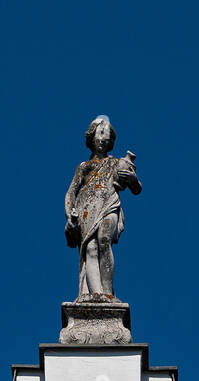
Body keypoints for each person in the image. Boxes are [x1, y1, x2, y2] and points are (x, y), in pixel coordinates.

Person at [64, 115, 141, 300]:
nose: (101, 139)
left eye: (105, 135)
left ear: (110, 140)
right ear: (91, 137)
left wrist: (132, 179)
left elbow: (137, 188)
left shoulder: (116, 162)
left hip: (109, 204)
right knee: (90, 249)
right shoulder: (84, 166)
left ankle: (108, 294)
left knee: (104, 240)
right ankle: (96, 293)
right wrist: (70, 214)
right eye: (98, 134)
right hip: (87, 209)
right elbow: (70, 193)